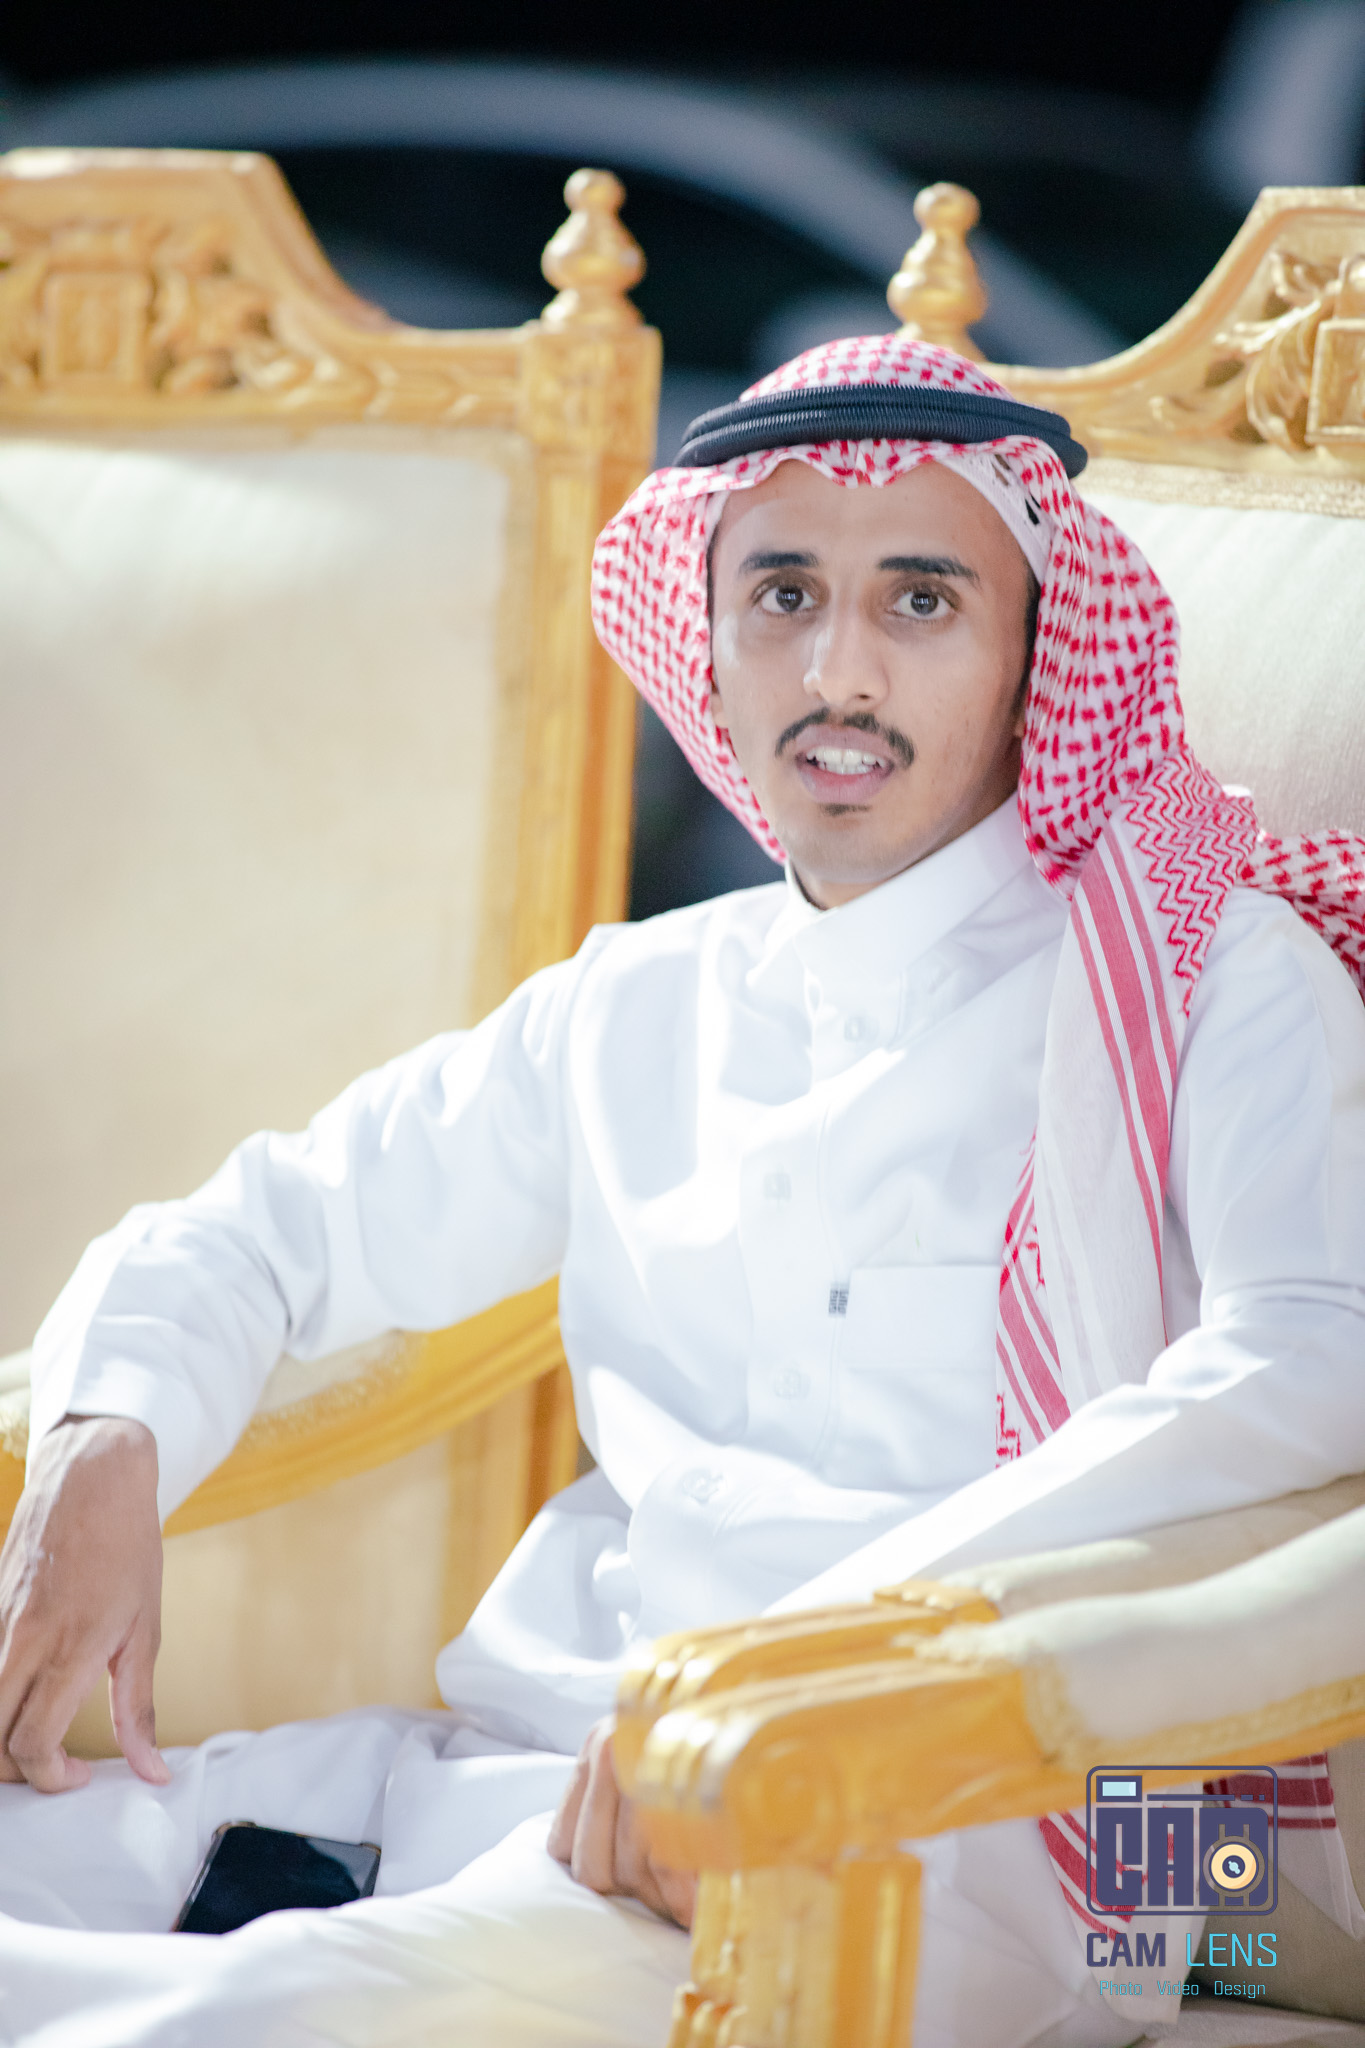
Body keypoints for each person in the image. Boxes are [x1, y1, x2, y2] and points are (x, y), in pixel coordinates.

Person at [2, 336, 1364, 2048]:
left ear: (1039, 652)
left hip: (944, 1831)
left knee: (228, 2024)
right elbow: (279, 1227)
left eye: (921, 601)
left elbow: (1314, 1358)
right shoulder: (637, 1002)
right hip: (521, 1780)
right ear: (704, 640)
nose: (838, 670)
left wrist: (787, 1672)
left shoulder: (1202, 975)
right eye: (782, 595)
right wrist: (107, 1435)